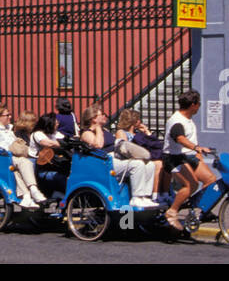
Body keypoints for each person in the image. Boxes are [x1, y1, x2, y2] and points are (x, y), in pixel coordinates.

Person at [80, 106, 158, 208]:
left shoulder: (106, 131)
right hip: (103, 162)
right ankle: (136, 198)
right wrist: (98, 129)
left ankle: (145, 197)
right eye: (102, 114)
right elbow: (98, 145)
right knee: (137, 164)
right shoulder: (87, 133)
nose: (105, 116)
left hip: (115, 159)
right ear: (93, 118)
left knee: (150, 164)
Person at [162, 91, 218, 228]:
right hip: (173, 158)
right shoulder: (176, 121)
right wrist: (197, 148)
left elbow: (191, 141)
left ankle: (201, 210)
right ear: (193, 105)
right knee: (191, 185)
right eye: (198, 103)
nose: (199, 106)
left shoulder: (188, 120)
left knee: (210, 180)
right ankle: (172, 211)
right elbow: (180, 138)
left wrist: (198, 156)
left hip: (188, 156)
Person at [0, 103, 45, 208]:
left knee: (17, 170)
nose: (10, 117)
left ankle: (26, 196)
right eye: (7, 115)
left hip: (11, 159)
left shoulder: (9, 129)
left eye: (10, 114)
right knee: (24, 162)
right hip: (1, 158)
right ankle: (33, 190)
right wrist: (11, 149)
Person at [29, 112, 67, 197]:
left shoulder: (54, 133)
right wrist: (65, 144)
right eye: (55, 121)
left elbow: (63, 138)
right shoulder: (37, 134)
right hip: (39, 166)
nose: (58, 122)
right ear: (49, 123)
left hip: (51, 163)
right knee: (60, 177)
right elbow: (50, 144)